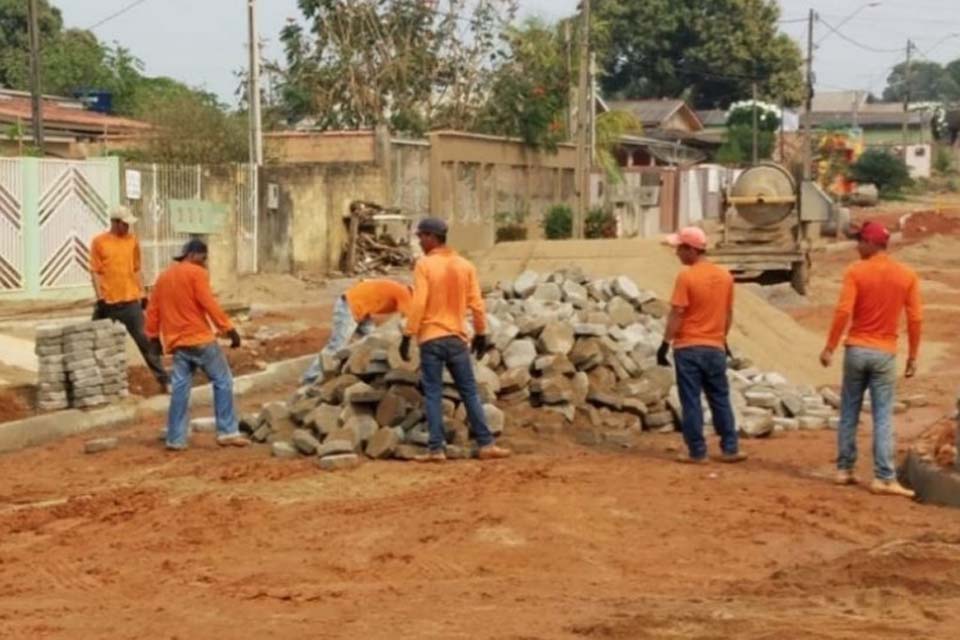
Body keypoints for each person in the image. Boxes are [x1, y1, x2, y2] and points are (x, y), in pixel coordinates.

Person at [820, 221, 921, 498]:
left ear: (873, 243)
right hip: (885, 354)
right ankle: (884, 477)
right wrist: (912, 356)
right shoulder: (906, 275)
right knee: (883, 416)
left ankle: (844, 469)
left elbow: (843, 311)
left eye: (861, 241)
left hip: (856, 350)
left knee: (849, 410)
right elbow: (915, 318)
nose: (857, 246)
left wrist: (830, 347)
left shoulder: (855, 272)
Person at [401, 217, 511, 463]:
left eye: (421, 237)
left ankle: (436, 449)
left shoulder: (424, 265)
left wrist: (408, 333)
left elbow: (419, 302)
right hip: (457, 338)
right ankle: (486, 444)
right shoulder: (465, 265)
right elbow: (477, 303)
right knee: (469, 391)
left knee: (433, 393)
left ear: (431, 237)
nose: (419, 241)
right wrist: (481, 332)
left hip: (431, 338)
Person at [145, 239, 249, 451]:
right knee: (223, 380)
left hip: (178, 343)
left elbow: (153, 310)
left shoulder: (163, 278)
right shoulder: (196, 273)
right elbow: (208, 302)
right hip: (200, 339)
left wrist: (154, 338)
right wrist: (229, 329)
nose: (205, 263)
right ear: (193, 254)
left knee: (180, 389)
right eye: (204, 257)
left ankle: (175, 438)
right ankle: (227, 431)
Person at [658, 226, 746, 465]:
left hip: (688, 347)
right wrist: (721, 338)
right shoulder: (725, 276)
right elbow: (727, 314)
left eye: (679, 248)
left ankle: (697, 451)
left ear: (691, 250)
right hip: (715, 347)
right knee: (720, 397)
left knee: (691, 400)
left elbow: (677, 312)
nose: (677, 253)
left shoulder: (686, 277)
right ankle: (730, 448)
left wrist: (665, 343)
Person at [90, 205, 169, 391]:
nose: (128, 227)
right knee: (93, 340)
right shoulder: (99, 242)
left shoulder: (132, 241)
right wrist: (99, 297)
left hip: (130, 302)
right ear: (115, 223)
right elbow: (95, 272)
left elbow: (136, 268)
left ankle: (164, 380)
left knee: (145, 341)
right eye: (124, 224)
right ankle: (94, 383)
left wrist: (143, 294)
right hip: (107, 303)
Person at [301, 279, 413, 385]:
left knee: (372, 341)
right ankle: (310, 377)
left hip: (362, 309)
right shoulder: (405, 294)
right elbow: (405, 324)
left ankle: (363, 372)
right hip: (349, 307)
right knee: (336, 346)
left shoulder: (401, 290)